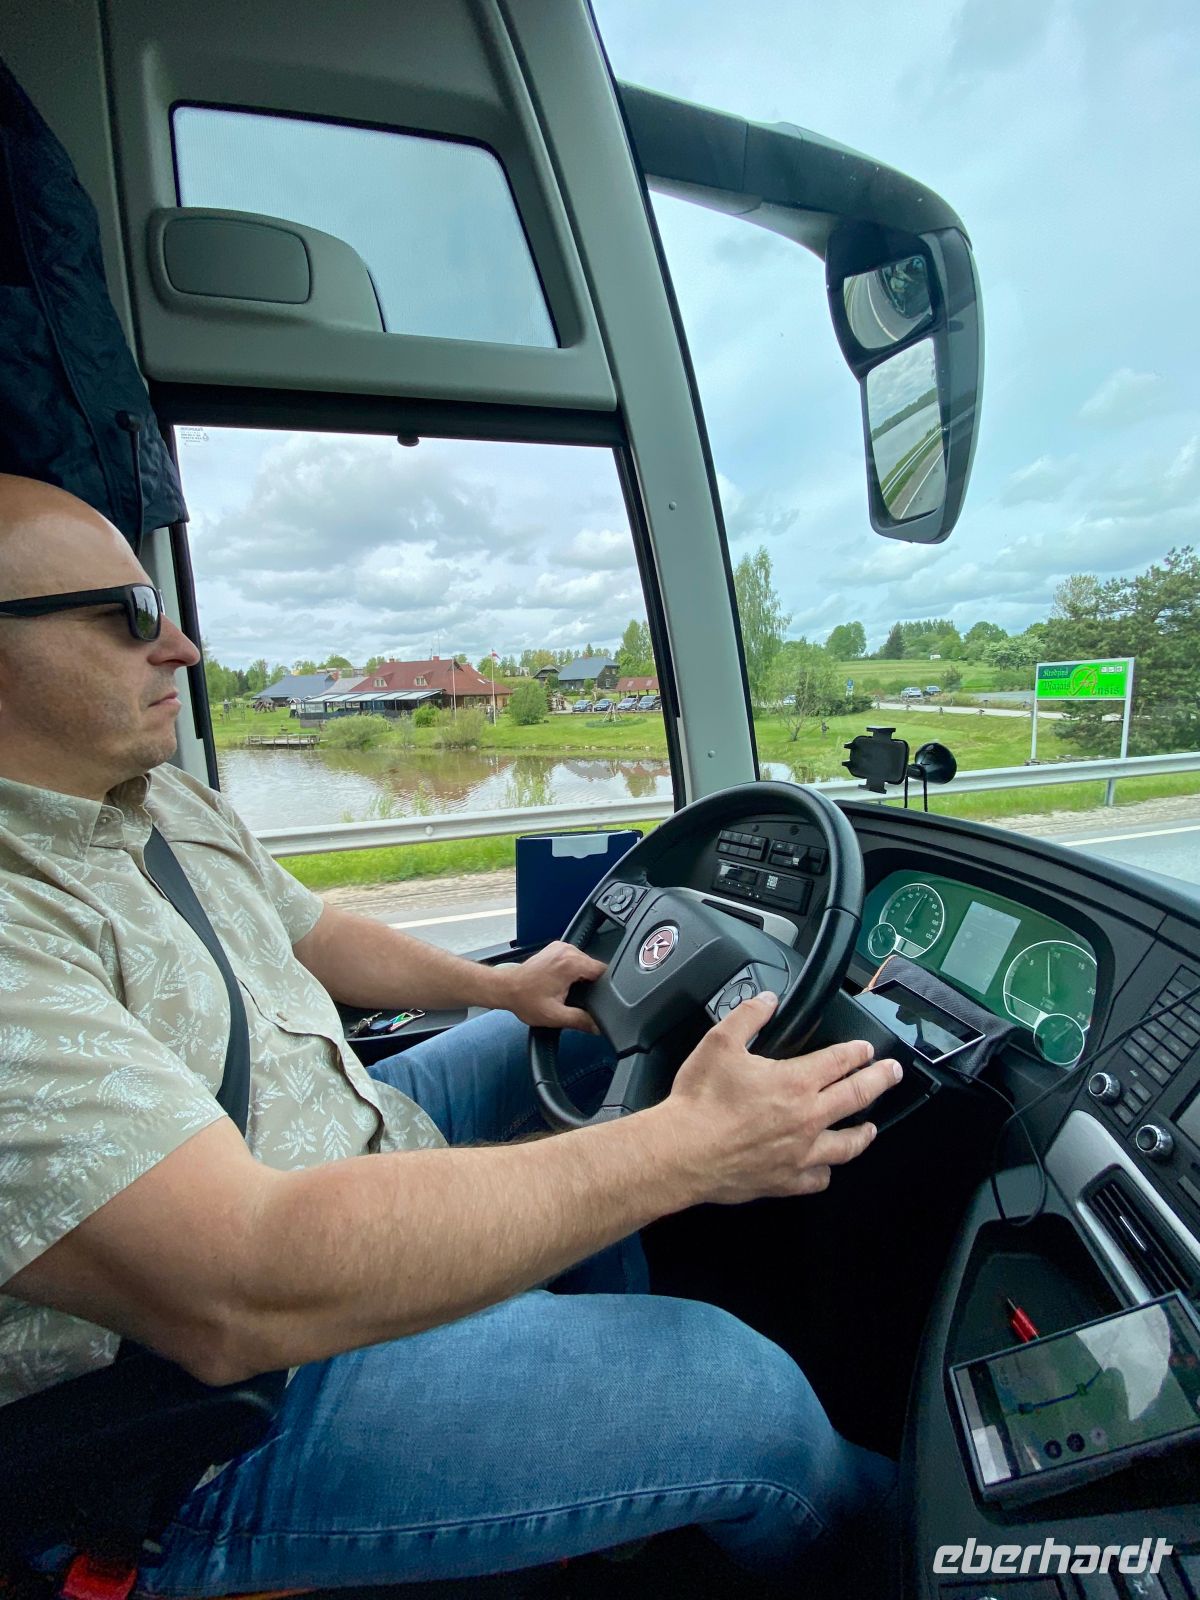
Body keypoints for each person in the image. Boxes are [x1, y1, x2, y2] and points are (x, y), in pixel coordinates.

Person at [0, 473, 901, 1596]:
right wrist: (681, 1151)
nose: (181, 645)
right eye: (130, 614)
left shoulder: (162, 801)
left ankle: (602, 1438)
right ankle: (872, 1541)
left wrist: (506, 987)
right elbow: (239, 1284)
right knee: (749, 1399)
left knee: (587, 1030)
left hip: (344, 1134)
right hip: (211, 1411)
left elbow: (316, 933)